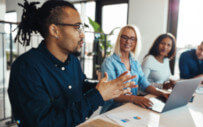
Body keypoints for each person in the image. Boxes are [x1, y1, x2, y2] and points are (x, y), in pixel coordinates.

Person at [8, 1, 137, 127]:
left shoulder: (73, 61)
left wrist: (103, 86)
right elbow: (45, 122)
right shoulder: (26, 68)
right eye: (77, 28)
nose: (83, 35)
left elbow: (80, 85)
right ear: (55, 30)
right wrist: (98, 96)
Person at [100, 25, 169, 113]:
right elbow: (110, 94)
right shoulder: (109, 62)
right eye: (125, 37)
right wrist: (134, 98)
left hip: (130, 108)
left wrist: (160, 93)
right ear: (119, 39)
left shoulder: (134, 62)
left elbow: (144, 83)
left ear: (136, 42)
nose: (128, 41)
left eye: (132, 39)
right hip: (112, 111)